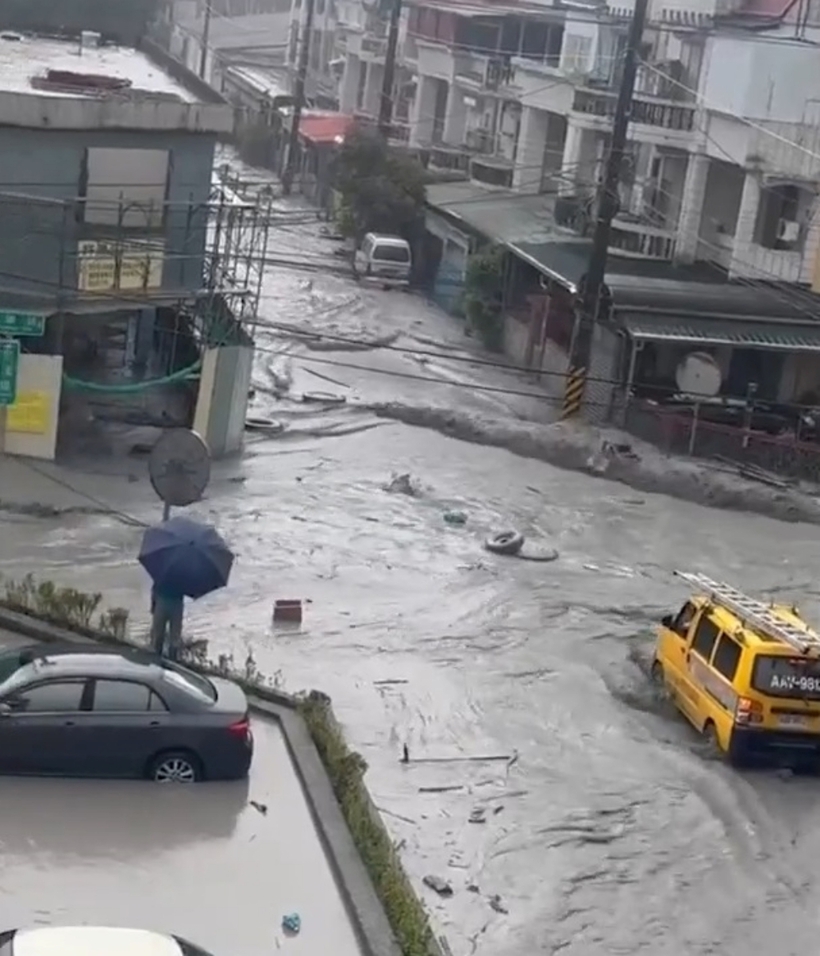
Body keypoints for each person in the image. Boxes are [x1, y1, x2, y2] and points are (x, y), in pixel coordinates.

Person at [150, 582, 184, 659]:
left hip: (174, 601)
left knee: (173, 636)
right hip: (166, 601)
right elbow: (155, 588)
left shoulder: (164, 573)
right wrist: (153, 603)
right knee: (159, 634)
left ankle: (171, 658)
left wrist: (153, 604)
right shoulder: (164, 574)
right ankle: (158, 656)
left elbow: (154, 589)